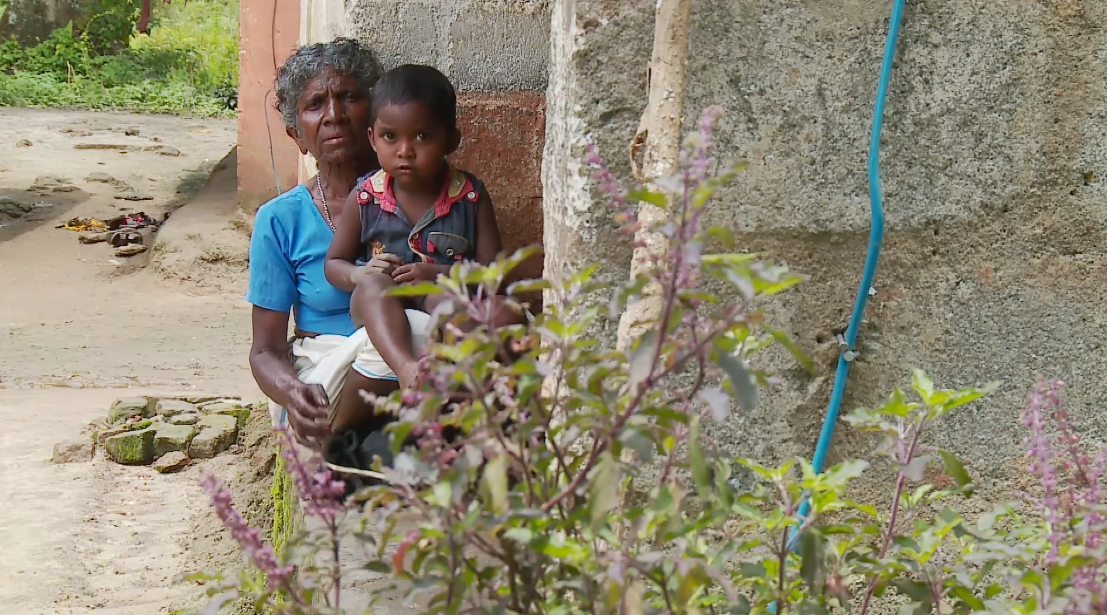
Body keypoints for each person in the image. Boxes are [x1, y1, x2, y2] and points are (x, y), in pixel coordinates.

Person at [246, 39, 431, 453]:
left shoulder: (425, 199)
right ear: (297, 135)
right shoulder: (280, 220)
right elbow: (264, 351)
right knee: (403, 338)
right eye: (316, 104)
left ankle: (365, 447)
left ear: (376, 116)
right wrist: (292, 392)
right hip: (325, 378)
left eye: (349, 97)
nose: (334, 116)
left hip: (415, 369)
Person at [324, 64, 522, 430]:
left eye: (422, 137)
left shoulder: (470, 196)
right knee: (373, 286)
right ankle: (407, 370)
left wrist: (439, 274)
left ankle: (446, 372)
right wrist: (359, 271)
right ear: (371, 138)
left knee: (492, 312)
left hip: (444, 297)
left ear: (451, 141)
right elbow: (334, 263)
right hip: (384, 299)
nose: (405, 151)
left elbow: (494, 272)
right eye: (389, 137)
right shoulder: (366, 195)